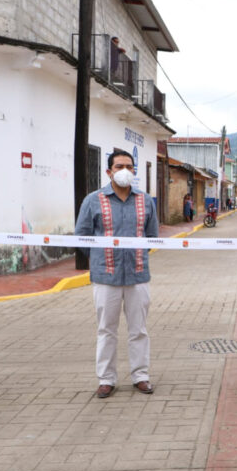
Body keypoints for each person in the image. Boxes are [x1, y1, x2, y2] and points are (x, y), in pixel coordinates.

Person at [75, 150, 158, 398]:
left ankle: (140, 376)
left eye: (129, 166)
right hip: (105, 278)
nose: (125, 170)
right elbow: (82, 236)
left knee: (139, 330)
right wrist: (101, 258)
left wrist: (136, 255)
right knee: (106, 329)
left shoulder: (145, 200)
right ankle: (106, 379)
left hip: (137, 275)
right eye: (119, 166)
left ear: (134, 171)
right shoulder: (93, 200)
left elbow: (152, 237)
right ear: (108, 171)